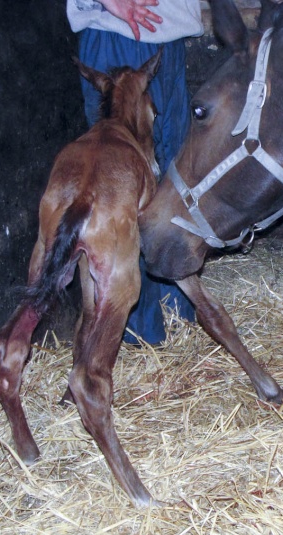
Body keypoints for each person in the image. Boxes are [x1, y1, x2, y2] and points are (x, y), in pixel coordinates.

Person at [66, 0, 202, 344]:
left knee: (173, 176)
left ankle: (178, 325)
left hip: (168, 36)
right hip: (119, 31)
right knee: (123, 190)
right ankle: (138, 334)